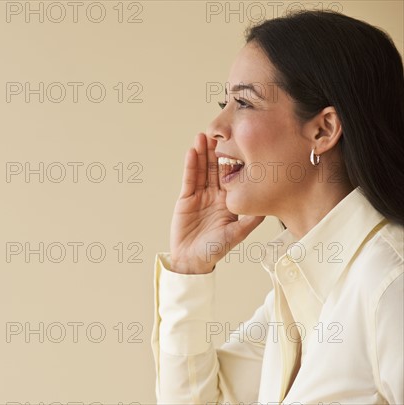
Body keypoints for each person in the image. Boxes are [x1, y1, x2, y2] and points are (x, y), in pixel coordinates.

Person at [151, 9, 403, 405]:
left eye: (244, 103)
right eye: (225, 102)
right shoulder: (296, 292)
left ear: (323, 130)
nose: (217, 125)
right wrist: (188, 267)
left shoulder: (390, 282)